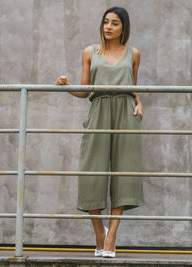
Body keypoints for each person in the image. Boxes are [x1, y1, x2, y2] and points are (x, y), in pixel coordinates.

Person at [55, 6, 144, 258]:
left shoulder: (133, 53)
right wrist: (66, 86)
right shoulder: (90, 52)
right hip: (99, 111)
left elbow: (133, 85)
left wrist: (139, 101)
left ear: (123, 28)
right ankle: (99, 234)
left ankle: (112, 237)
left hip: (126, 114)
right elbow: (85, 91)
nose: (108, 27)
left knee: (123, 174)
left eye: (115, 23)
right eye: (106, 22)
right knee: (91, 174)